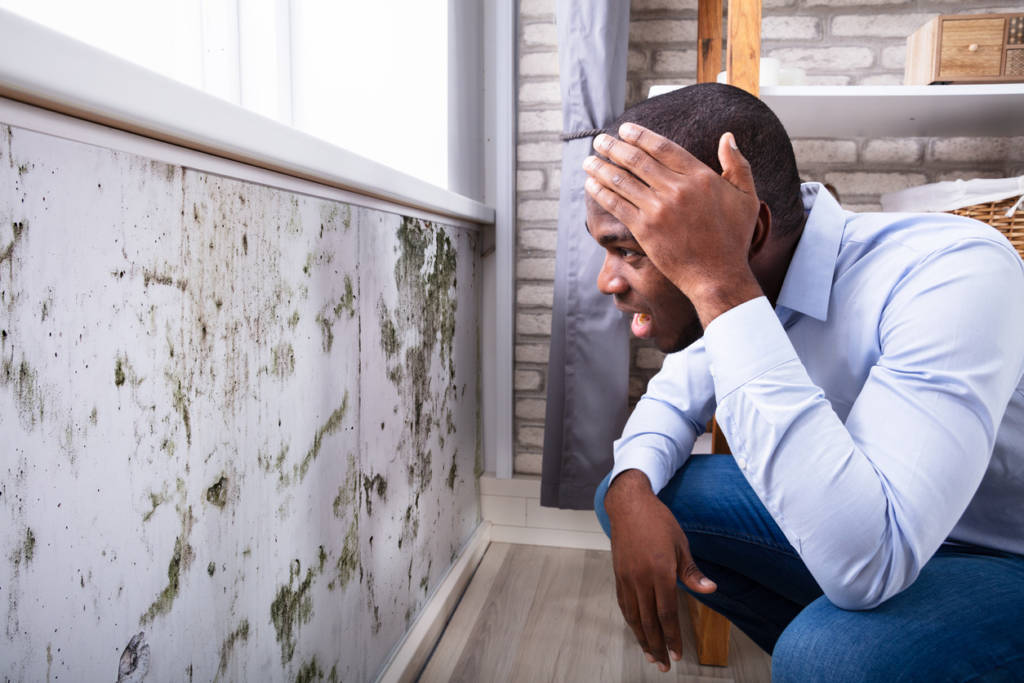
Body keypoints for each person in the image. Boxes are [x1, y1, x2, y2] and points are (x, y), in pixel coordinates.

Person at [583, 83, 1024, 681]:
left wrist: (718, 283)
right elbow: (671, 398)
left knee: (827, 654)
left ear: (749, 231)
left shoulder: (950, 269)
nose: (607, 281)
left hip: (998, 553)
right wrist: (629, 492)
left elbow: (873, 565)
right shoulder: (756, 273)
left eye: (630, 251)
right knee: (631, 492)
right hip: (878, 536)